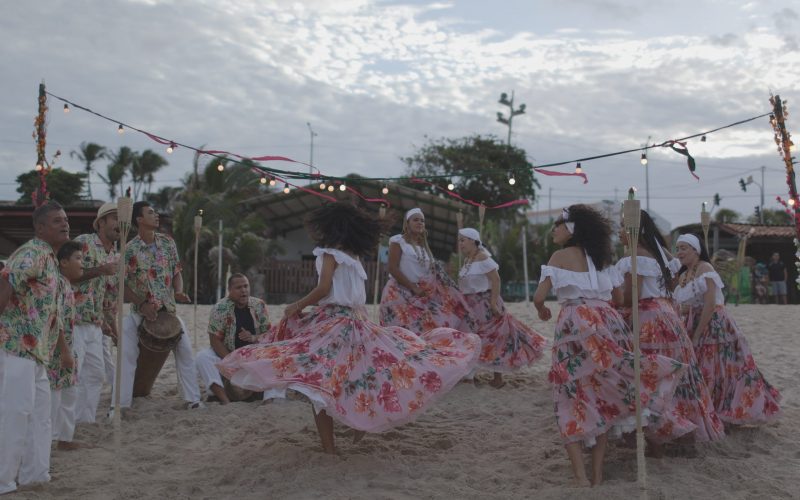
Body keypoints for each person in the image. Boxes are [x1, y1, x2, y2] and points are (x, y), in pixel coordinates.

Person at [218, 202, 480, 454]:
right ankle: (359, 429)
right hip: (359, 322)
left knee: (320, 385)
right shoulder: (354, 256)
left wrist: (296, 306)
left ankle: (330, 448)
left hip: (336, 323)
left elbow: (323, 289)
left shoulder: (330, 254)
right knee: (364, 376)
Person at [532, 205, 687, 487]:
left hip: (574, 323)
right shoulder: (602, 258)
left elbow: (539, 296)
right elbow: (618, 297)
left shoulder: (559, 256)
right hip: (606, 321)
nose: (553, 229)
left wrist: (541, 309)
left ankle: (580, 476)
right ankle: (598, 473)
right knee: (602, 393)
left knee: (569, 392)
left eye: (558, 224)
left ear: (572, 229)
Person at [615, 210, 724, 447]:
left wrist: (609, 296)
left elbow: (630, 297)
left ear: (635, 230)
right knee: (674, 376)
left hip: (647, 320)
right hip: (669, 318)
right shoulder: (659, 255)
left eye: (623, 226)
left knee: (649, 376)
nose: (619, 231)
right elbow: (671, 286)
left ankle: (660, 433)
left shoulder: (636, 256)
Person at [0, 201, 73, 495]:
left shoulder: (51, 259)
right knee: (16, 414)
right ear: (41, 228)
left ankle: (35, 474)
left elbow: (49, 313)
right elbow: (5, 280)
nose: (64, 224)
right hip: (16, 347)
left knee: (41, 417)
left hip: (38, 353)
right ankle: (3, 481)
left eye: (65, 219)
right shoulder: (31, 253)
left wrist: (62, 351)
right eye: (57, 221)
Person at [674, 234, 782, 425]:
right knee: (704, 366)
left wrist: (698, 332)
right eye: (678, 248)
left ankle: (724, 410)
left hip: (714, 324)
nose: (679, 252)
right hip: (694, 322)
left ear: (695, 250)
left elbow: (709, 304)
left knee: (721, 367)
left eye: (684, 248)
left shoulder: (705, 268)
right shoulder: (683, 275)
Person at [110, 201, 203, 415]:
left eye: (156, 211)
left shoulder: (168, 243)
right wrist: (141, 305)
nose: (156, 215)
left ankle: (193, 400)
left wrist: (178, 291)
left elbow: (177, 271)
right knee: (127, 356)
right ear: (139, 220)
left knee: (186, 353)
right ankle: (120, 406)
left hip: (168, 312)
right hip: (138, 314)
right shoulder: (130, 249)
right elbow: (121, 284)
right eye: (150, 213)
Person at [457, 227, 546, 388]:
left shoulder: (483, 257)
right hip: (470, 306)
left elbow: (496, 280)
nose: (460, 243)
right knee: (472, 338)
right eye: (459, 240)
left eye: (462, 240)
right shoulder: (467, 260)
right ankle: (470, 374)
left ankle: (493, 377)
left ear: (473, 241)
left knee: (494, 338)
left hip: (485, 302)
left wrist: (492, 303)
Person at [379, 208, 474, 333]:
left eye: (422, 221)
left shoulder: (423, 247)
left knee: (437, 325)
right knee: (403, 335)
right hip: (398, 293)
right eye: (416, 220)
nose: (420, 223)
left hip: (419, 294)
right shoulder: (398, 241)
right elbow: (392, 268)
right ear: (407, 223)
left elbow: (432, 273)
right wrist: (413, 287)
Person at [72, 202, 120, 424]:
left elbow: (109, 297)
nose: (120, 225)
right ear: (101, 223)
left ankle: (85, 421)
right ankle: (63, 427)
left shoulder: (115, 254)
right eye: (115, 219)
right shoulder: (84, 242)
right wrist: (101, 270)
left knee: (95, 374)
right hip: (74, 319)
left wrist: (112, 326)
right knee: (74, 373)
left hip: (95, 322)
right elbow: (69, 274)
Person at [196, 273, 271, 404]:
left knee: (275, 355)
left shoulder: (259, 305)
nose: (243, 290)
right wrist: (232, 361)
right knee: (202, 357)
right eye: (238, 287)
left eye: (246, 286)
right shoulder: (220, 308)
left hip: (253, 356)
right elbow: (214, 340)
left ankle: (271, 398)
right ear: (229, 290)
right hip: (228, 355)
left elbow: (269, 335)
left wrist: (254, 337)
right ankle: (224, 399)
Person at [48, 241, 85, 450]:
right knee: (54, 399)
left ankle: (65, 439)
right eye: (78, 259)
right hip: (58, 352)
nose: (82, 263)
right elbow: (56, 319)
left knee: (70, 394)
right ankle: (51, 441)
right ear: (63, 262)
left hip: (68, 349)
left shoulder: (67, 285)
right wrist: (65, 351)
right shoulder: (59, 284)